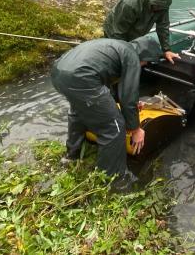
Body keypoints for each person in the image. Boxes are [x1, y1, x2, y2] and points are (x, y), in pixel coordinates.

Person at [50, 36, 162, 186]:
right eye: (146, 62)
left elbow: (108, 84)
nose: (144, 65)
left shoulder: (118, 46)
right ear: (145, 57)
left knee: (78, 112)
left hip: (58, 72)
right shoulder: (132, 57)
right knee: (113, 127)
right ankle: (112, 180)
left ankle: (72, 155)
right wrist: (136, 129)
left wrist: (130, 104)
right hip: (81, 77)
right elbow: (128, 95)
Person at [103, 0, 180, 65]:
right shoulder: (130, 4)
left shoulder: (163, 5)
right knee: (117, 58)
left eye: (160, 7)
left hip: (136, 31)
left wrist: (166, 50)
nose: (158, 9)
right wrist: (126, 56)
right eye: (155, 6)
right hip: (114, 30)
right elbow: (117, 33)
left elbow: (163, 26)